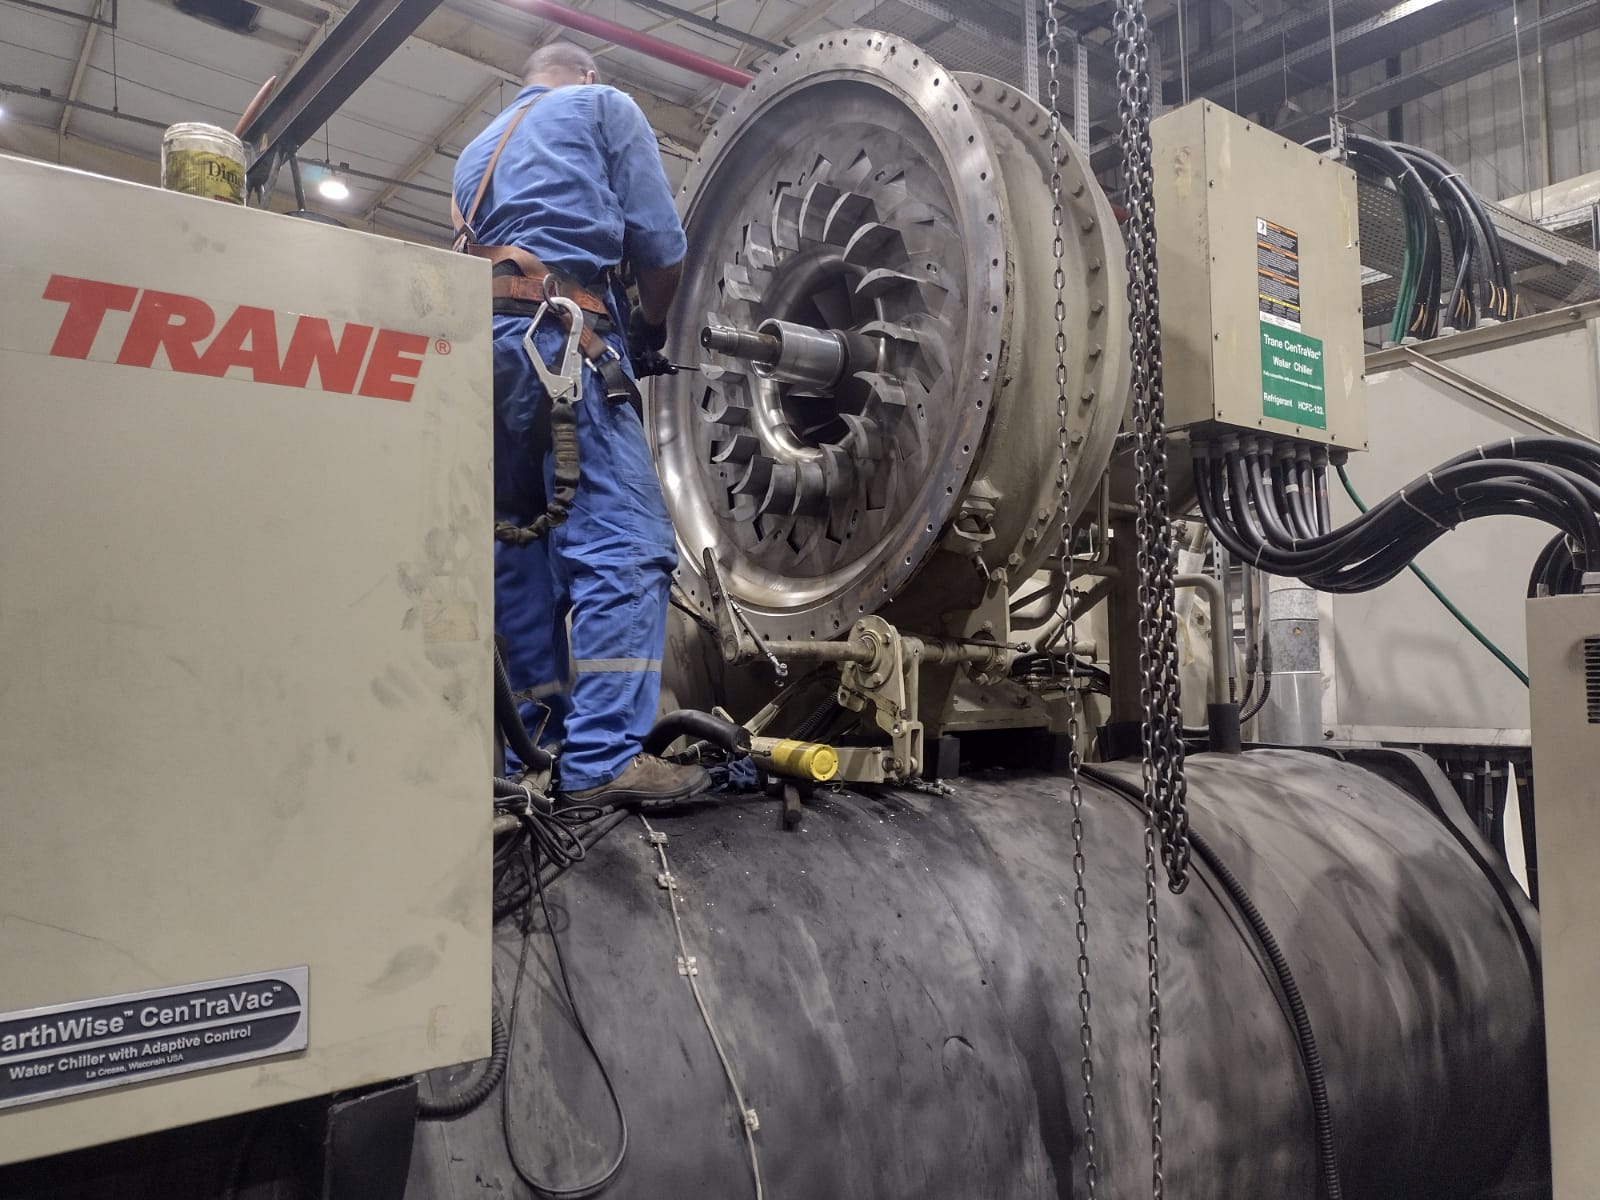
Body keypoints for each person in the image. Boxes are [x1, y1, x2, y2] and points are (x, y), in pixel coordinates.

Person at [452, 42, 707, 806]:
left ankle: (530, 757)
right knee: (624, 542)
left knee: (515, 552)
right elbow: (661, 250)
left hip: (482, 358)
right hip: (564, 341)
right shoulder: (603, 107)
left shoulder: (473, 154)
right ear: (588, 74)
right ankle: (601, 761)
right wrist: (649, 328)